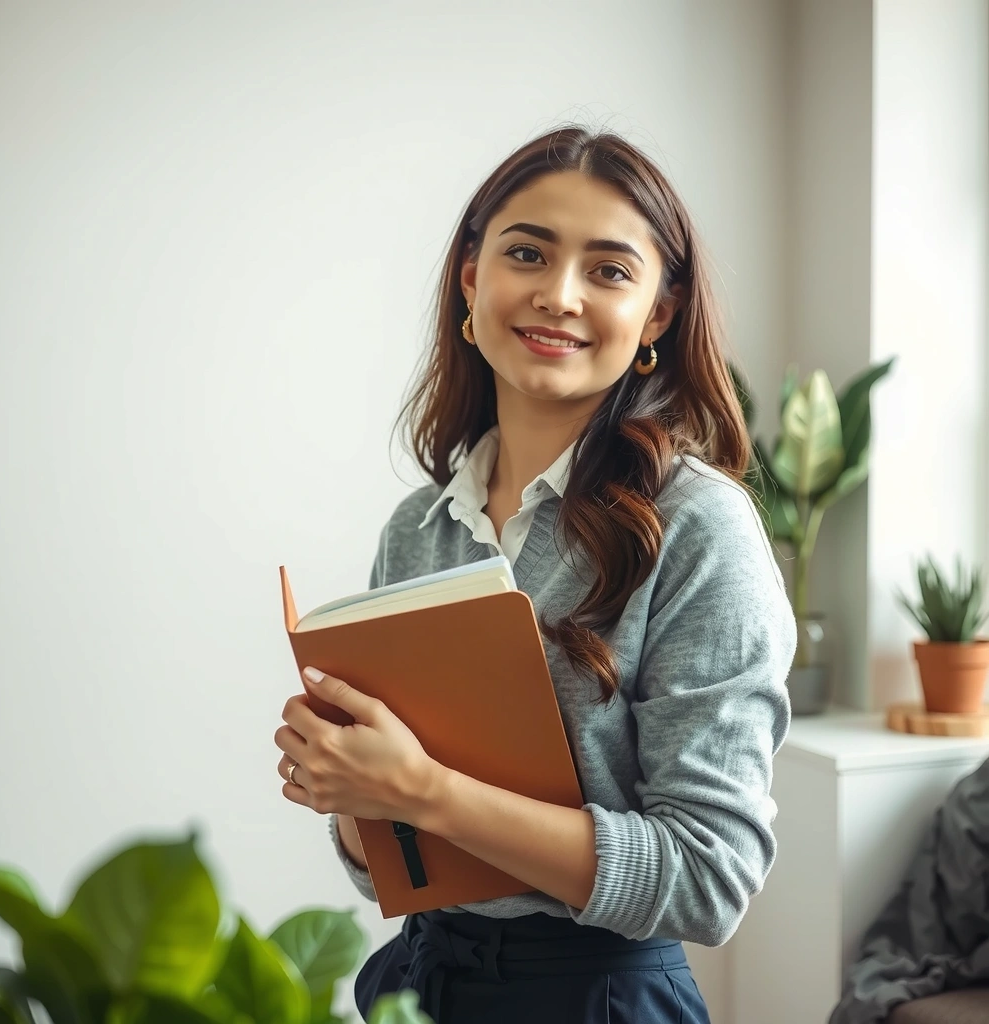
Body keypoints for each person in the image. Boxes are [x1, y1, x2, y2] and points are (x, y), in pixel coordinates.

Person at [274, 124, 797, 1024]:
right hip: (424, 981)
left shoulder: (699, 527)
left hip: (601, 998)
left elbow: (711, 880)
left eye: (610, 270)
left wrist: (424, 792)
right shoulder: (420, 528)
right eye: (527, 254)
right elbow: (394, 864)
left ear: (657, 316)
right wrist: (350, 787)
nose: (559, 295)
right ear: (470, 279)